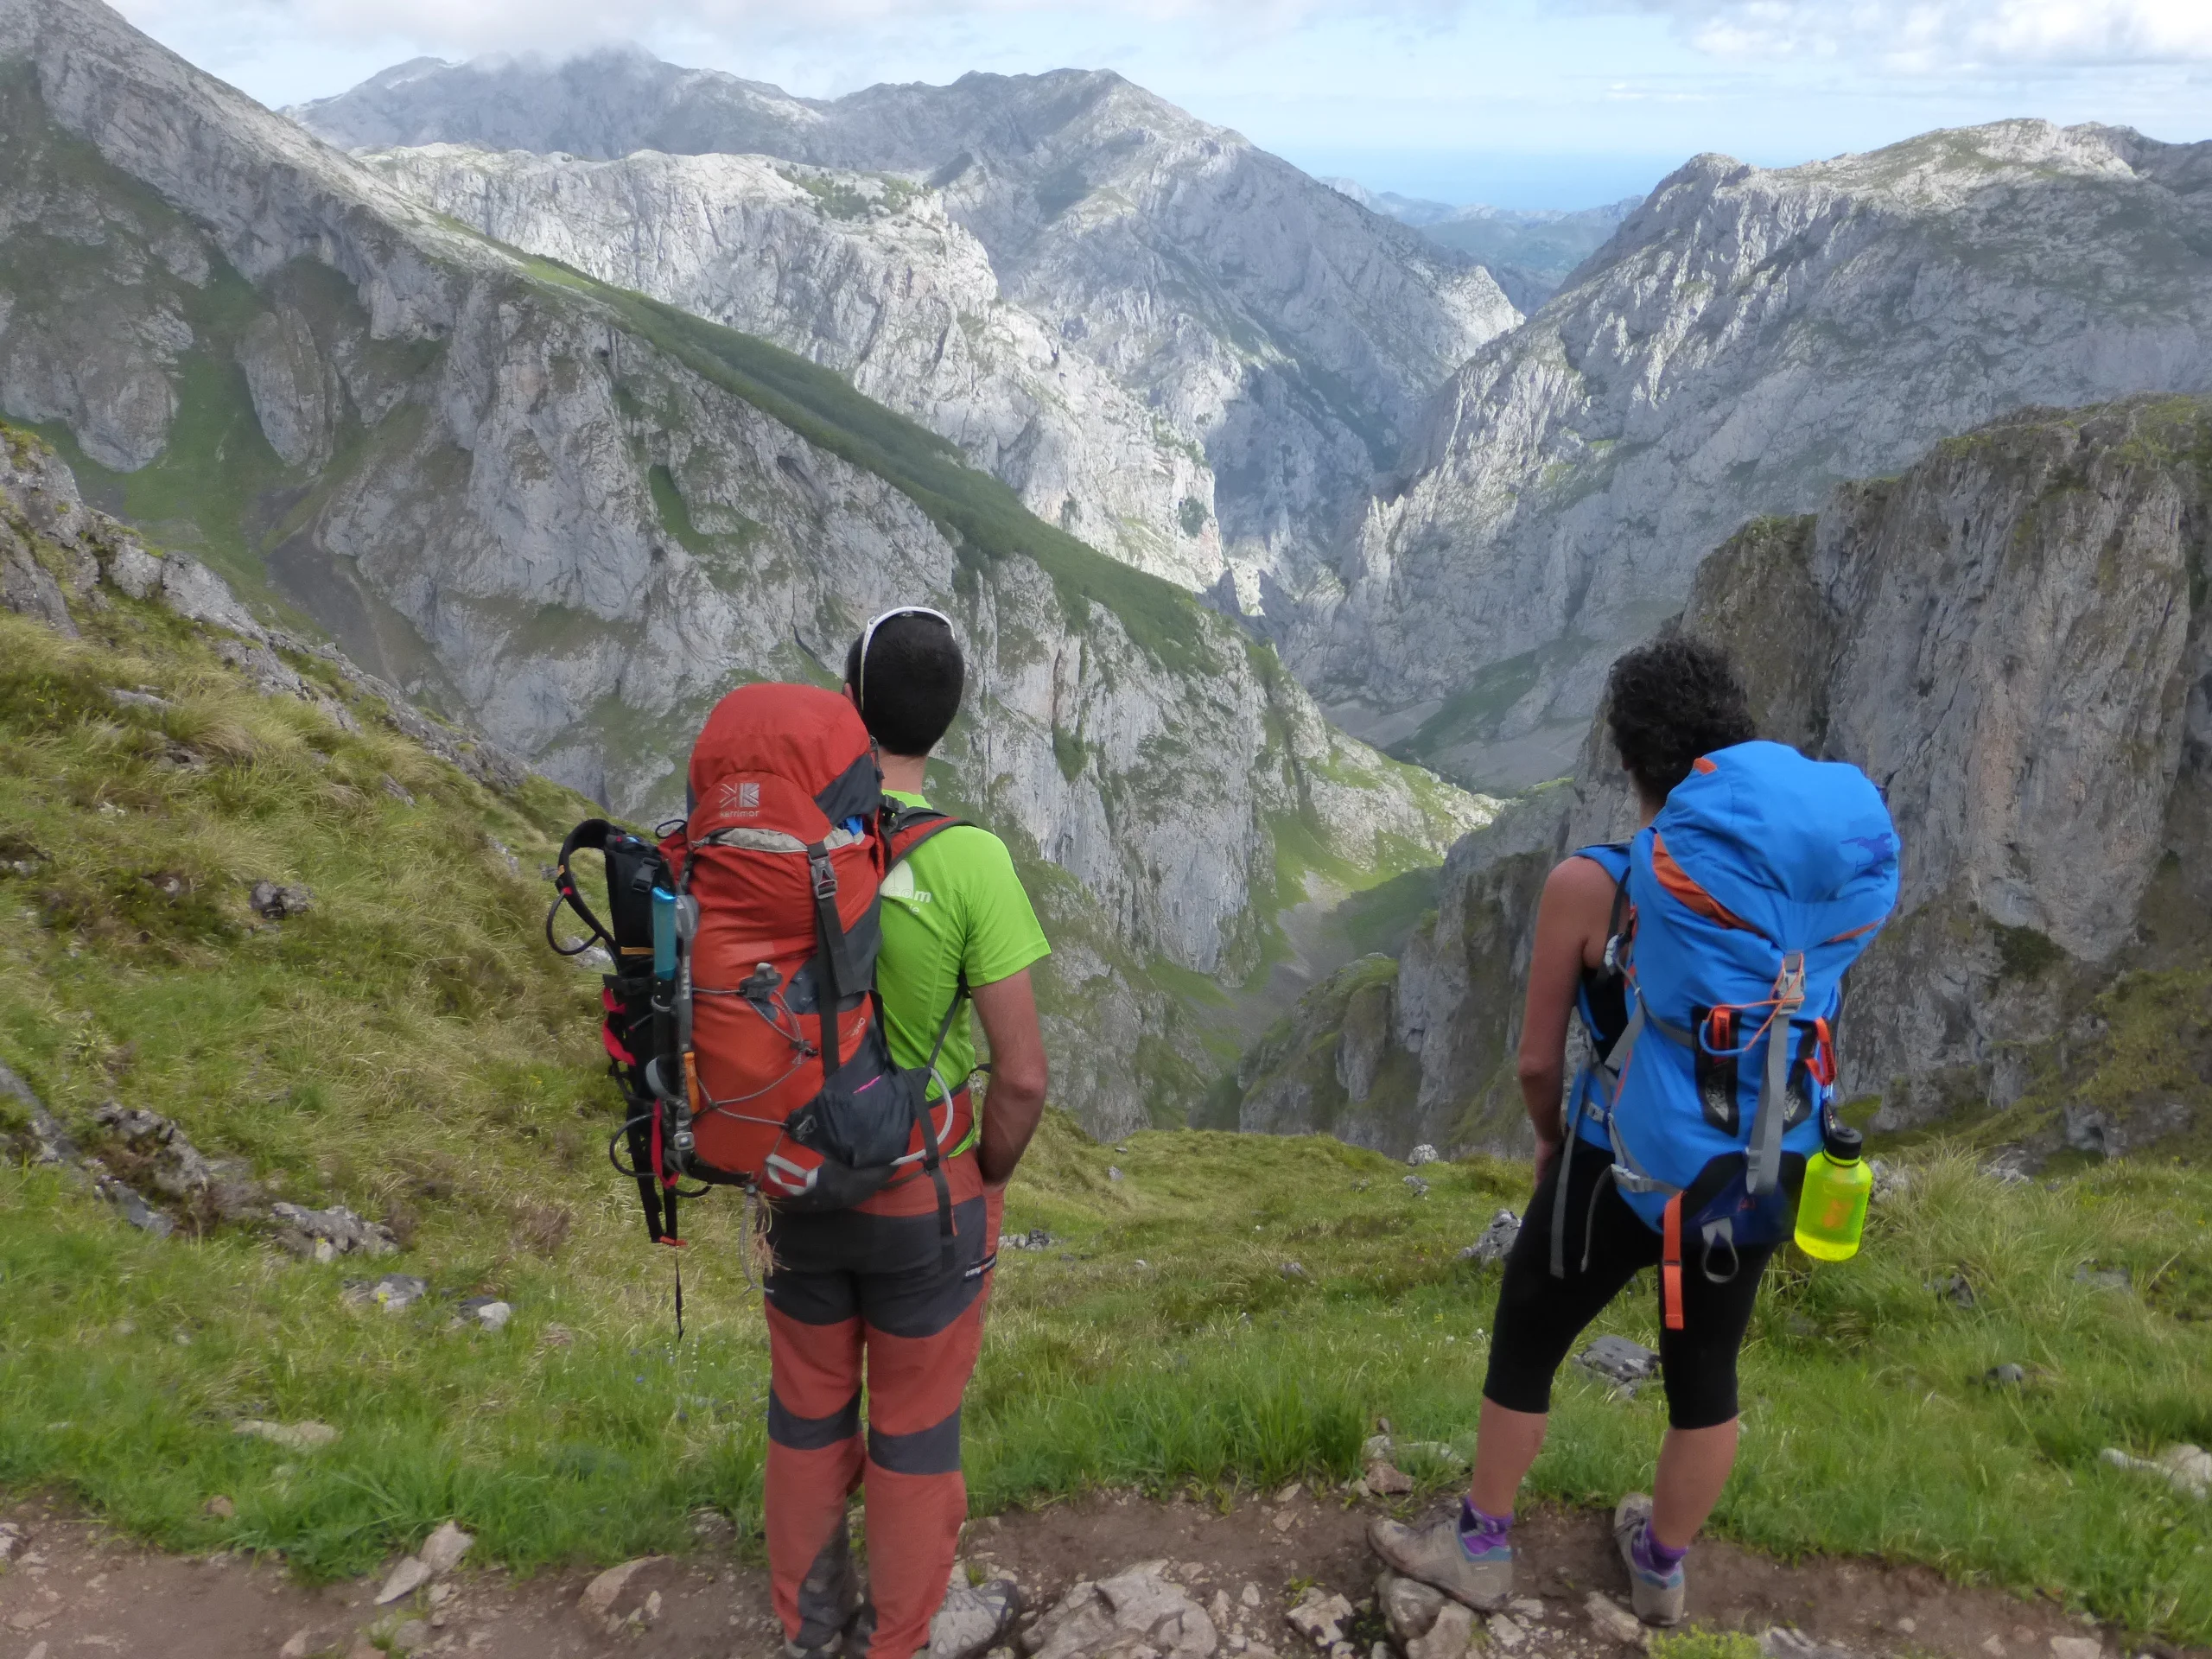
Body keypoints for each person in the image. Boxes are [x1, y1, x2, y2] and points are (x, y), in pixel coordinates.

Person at [1370, 637, 1761, 1628]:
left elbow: (1538, 1062)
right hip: (1738, 1173)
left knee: (1528, 1337)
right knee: (1705, 1378)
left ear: (1624, 760)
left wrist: (1550, 1140)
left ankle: (1481, 1549)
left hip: (1612, 1164)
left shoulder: (1594, 885)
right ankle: (1662, 1571)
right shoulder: (1775, 892)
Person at [763, 607, 1053, 1659]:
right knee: (914, 1429)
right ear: (947, 720)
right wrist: (983, 1173)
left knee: (805, 1411)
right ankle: (902, 1642)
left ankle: (809, 1630)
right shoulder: (970, 862)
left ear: (848, 702)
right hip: (924, 1198)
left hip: (795, 1182)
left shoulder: (791, 839)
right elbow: (1021, 1078)